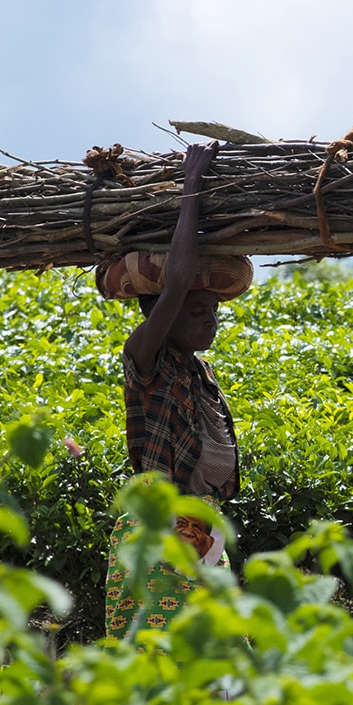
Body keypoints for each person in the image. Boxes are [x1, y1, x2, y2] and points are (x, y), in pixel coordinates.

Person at [99, 140, 255, 637]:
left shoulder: (201, 373)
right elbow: (179, 279)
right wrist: (193, 185)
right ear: (162, 317)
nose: (210, 321)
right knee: (161, 644)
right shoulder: (146, 358)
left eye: (213, 312)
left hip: (201, 525)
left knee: (217, 649)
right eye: (196, 312)